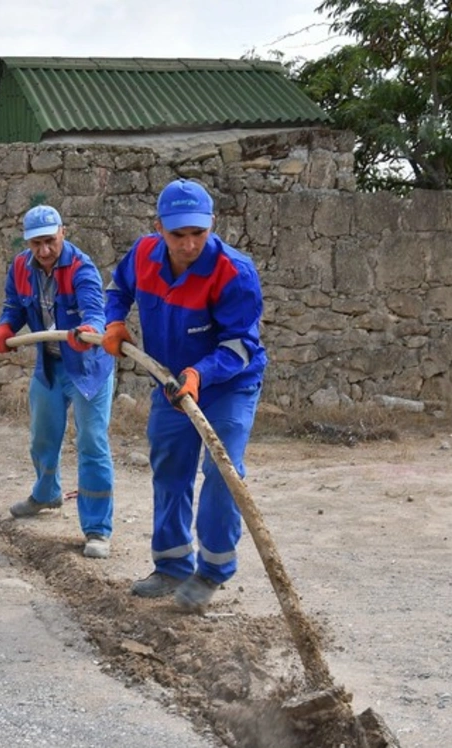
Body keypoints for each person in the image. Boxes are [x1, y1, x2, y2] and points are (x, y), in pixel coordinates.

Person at [101, 179, 267, 610]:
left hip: (229, 386)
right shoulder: (142, 255)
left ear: (212, 224)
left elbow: (239, 345)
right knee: (170, 468)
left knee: (221, 475)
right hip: (172, 384)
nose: (189, 244)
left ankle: (212, 572)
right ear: (158, 227)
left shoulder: (235, 272)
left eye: (199, 233)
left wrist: (201, 372)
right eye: (178, 235)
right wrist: (114, 322)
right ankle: (172, 565)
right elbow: (117, 290)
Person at [0, 205, 116, 559]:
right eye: (36, 244)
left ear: (63, 231)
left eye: (50, 240)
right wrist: (5, 328)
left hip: (87, 367)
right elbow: (13, 305)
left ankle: (97, 530)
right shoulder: (20, 267)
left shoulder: (81, 267)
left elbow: (95, 309)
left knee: (91, 442)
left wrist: (90, 330)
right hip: (49, 365)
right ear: (27, 243)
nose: (44, 250)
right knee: (42, 436)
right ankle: (46, 494)